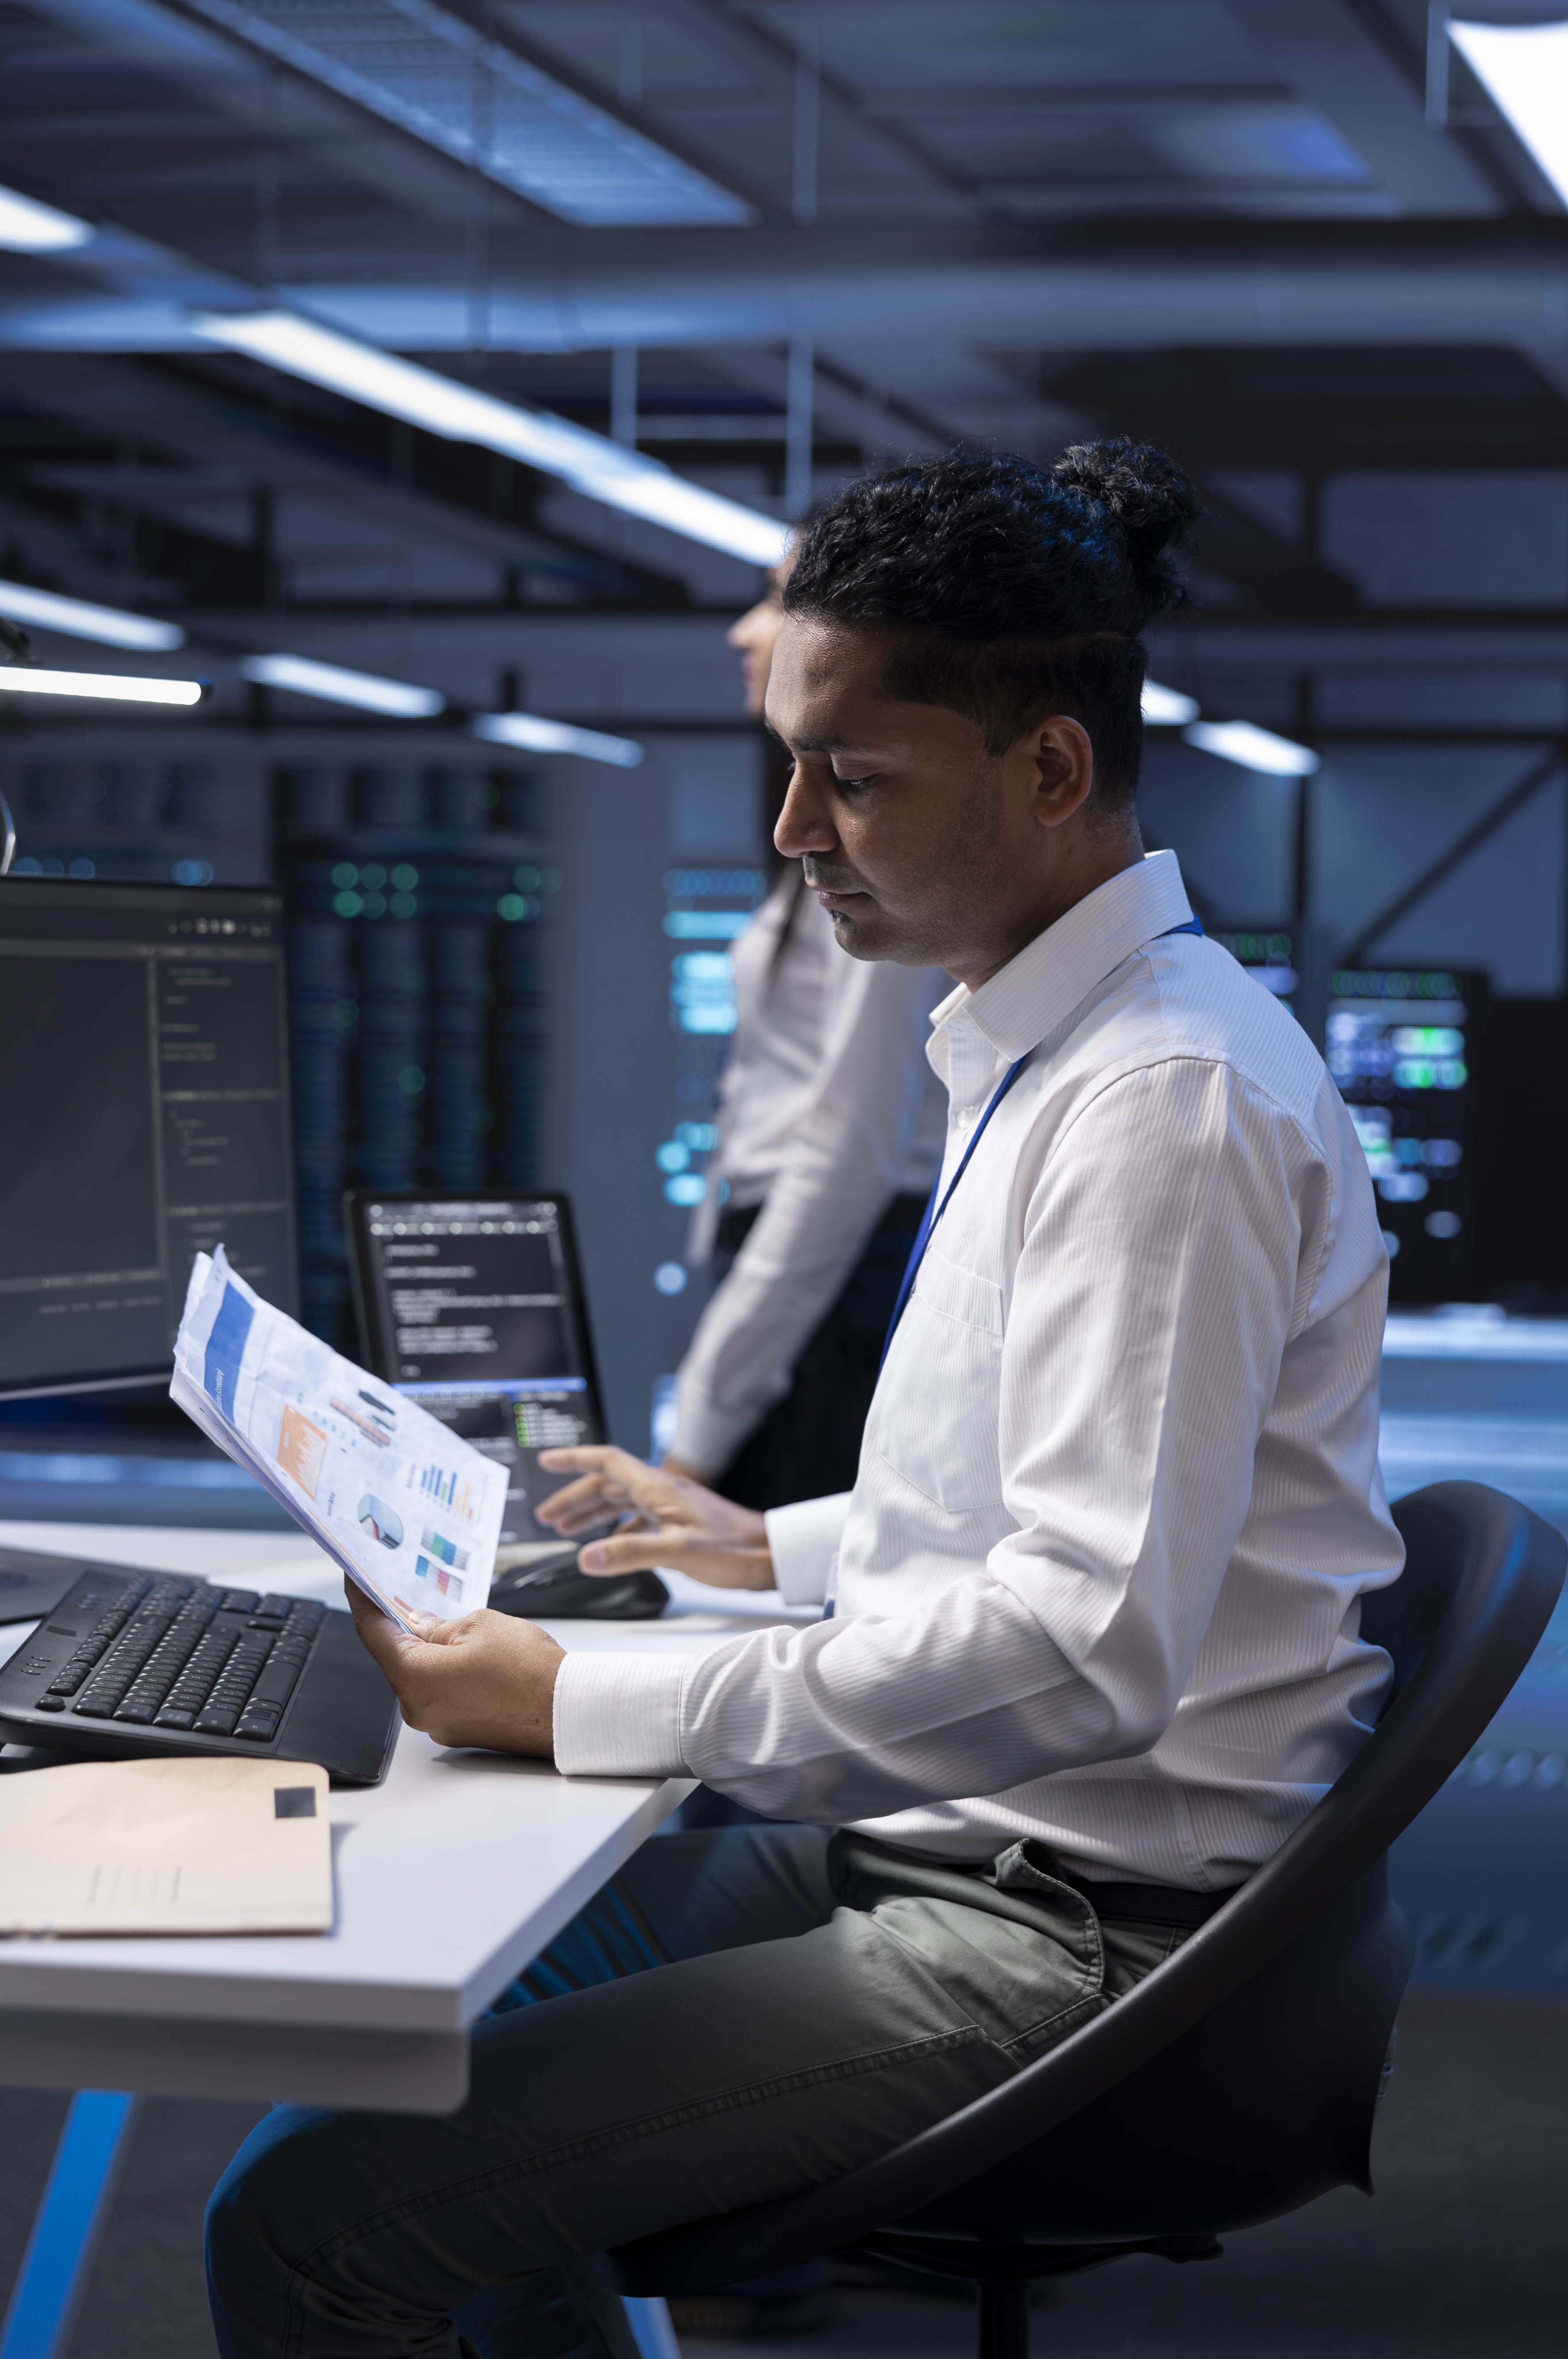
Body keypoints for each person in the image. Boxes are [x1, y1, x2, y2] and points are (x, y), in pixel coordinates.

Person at [206, 442, 1405, 2359]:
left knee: (307, 2224)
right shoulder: (1053, 1045)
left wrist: (578, 1694)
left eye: (853, 775)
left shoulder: (1163, 1101)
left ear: (1051, 774)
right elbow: (1050, 1505)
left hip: (1061, 1920)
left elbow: (1087, 1644)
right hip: (973, 1838)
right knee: (425, 2040)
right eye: (790, 764)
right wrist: (768, 1536)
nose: (790, 828)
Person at [671, 563, 947, 1506]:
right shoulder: (816, 853)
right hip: (799, 1263)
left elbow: (847, 1150)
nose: (746, 632)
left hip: (830, 1271)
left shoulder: (883, 872)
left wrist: (701, 1424)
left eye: (782, 600)